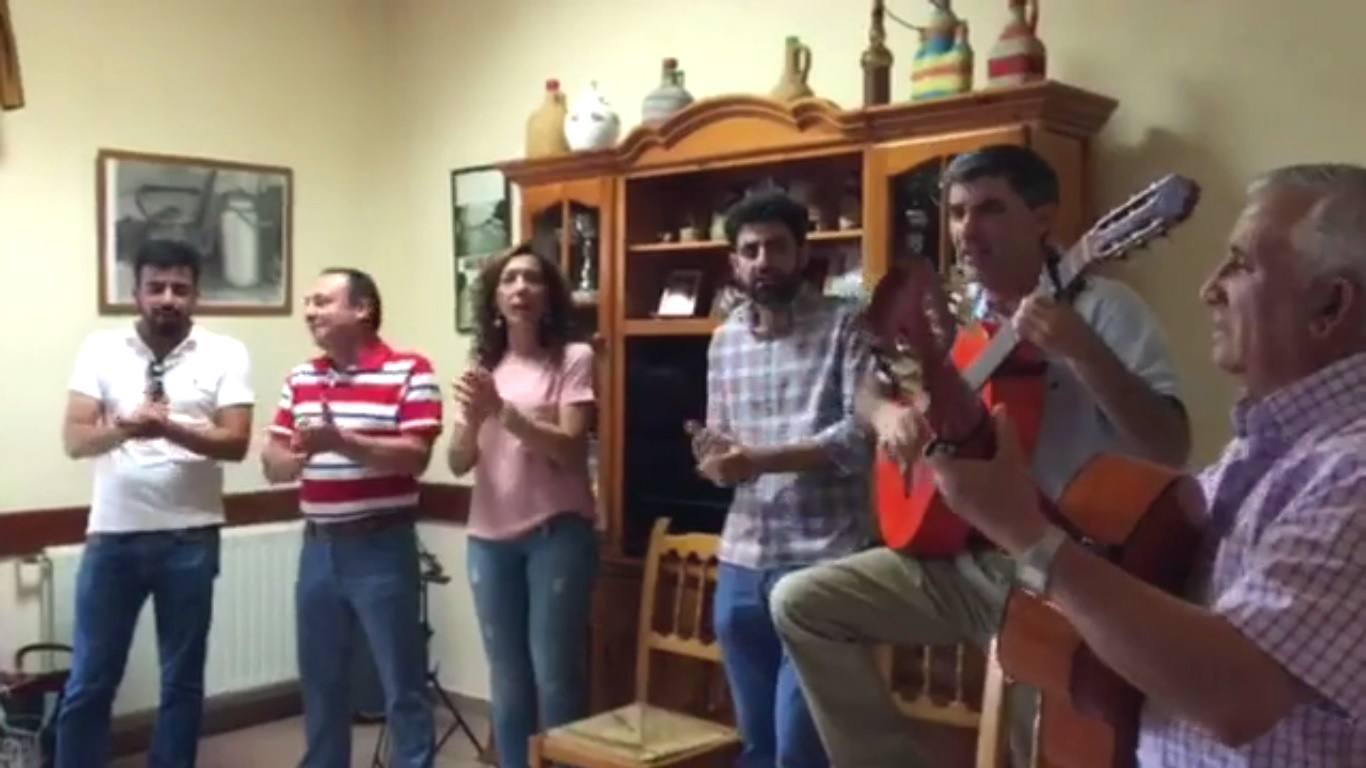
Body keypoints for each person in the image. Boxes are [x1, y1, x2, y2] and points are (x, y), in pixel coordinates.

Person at [927, 163, 1366, 766]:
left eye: (1240, 264)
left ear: (1330, 305)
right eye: (956, 211)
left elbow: (1234, 695)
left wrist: (1027, 533)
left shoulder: (1352, 472)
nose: (1209, 288)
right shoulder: (1261, 449)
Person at [770, 144, 1190, 768]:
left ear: (1044, 217)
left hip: (1057, 571)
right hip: (958, 558)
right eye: (958, 212)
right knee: (799, 603)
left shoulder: (1105, 309)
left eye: (989, 209)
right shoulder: (964, 323)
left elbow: (1169, 442)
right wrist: (890, 414)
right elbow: (869, 391)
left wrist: (1083, 352)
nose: (966, 230)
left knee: (1041, 752)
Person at [690, 191, 873, 768]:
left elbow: (860, 437)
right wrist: (714, 461)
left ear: (801, 255)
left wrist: (760, 459)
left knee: (799, 745)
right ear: (734, 264)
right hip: (742, 559)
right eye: (750, 249)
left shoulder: (848, 327)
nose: (763, 259)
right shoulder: (724, 342)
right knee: (757, 744)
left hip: (823, 559)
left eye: (776, 246)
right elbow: (723, 440)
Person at [57, 239, 254, 767]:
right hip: (113, 537)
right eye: (156, 288)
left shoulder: (226, 351)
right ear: (136, 292)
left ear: (196, 294)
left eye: (180, 289)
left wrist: (169, 427)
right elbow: (75, 439)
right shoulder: (101, 348)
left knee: (182, 682)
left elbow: (236, 443)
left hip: (190, 537)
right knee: (90, 680)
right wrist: (126, 427)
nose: (168, 298)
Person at [261, 268, 441, 768]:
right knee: (321, 681)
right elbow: (272, 462)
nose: (310, 312)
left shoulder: (410, 370)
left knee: (400, 683)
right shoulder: (301, 377)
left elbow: (414, 456)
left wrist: (341, 441)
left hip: (382, 546)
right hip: (318, 547)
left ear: (362, 309)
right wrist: (289, 457)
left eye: (322, 301)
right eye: (308, 302)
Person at [447, 243, 599, 768]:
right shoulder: (484, 363)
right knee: (506, 679)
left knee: (554, 674)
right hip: (488, 539)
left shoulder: (573, 358)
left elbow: (572, 450)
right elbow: (457, 462)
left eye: (532, 279)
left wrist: (505, 413)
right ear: (494, 298)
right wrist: (470, 417)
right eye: (509, 280)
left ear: (548, 295)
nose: (520, 289)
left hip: (556, 535)